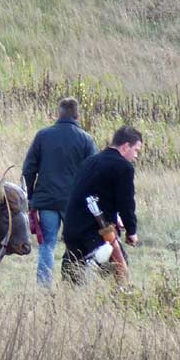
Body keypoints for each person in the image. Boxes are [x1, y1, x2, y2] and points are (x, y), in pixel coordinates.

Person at [22, 97, 97, 288]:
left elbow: (29, 169)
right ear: (77, 115)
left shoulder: (43, 136)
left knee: (47, 244)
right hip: (74, 204)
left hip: (46, 201)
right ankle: (74, 284)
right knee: (76, 244)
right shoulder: (86, 140)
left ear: (59, 113)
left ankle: (44, 287)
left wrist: (30, 196)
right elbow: (95, 174)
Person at [62, 126, 142, 285]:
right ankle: (113, 299)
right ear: (125, 146)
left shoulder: (89, 161)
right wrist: (131, 231)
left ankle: (69, 301)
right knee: (119, 268)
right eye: (136, 150)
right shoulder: (123, 167)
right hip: (95, 231)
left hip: (71, 228)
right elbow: (126, 203)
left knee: (72, 278)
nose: (136, 156)